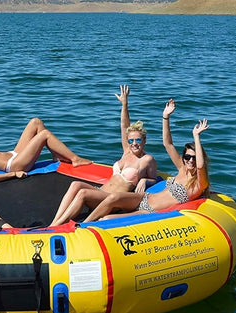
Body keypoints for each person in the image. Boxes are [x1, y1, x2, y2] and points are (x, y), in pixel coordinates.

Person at [81, 99, 210, 222]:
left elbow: (200, 166)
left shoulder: (199, 183)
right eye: (187, 157)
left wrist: (196, 137)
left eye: (194, 157)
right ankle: (81, 225)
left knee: (106, 219)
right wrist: (165, 117)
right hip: (144, 198)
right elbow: (168, 144)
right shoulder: (182, 169)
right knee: (114, 197)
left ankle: (85, 226)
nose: (190, 161)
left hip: (149, 211)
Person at [49, 85, 157, 226]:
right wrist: (124, 104)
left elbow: (154, 179)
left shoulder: (147, 160)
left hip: (111, 201)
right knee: (76, 184)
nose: (134, 143)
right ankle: (54, 221)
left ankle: (57, 226)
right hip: (100, 191)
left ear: (144, 141)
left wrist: (146, 180)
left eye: (138, 140)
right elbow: (124, 127)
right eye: (131, 140)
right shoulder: (127, 152)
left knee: (83, 194)